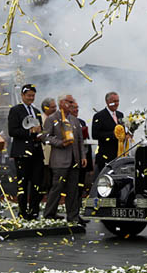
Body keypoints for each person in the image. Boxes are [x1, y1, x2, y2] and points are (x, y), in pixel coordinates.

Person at [43, 94, 86, 225]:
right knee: (57, 188)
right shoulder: (52, 119)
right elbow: (45, 137)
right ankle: (49, 214)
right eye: (69, 102)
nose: (72, 104)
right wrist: (61, 143)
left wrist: (83, 156)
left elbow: (80, 140)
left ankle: (73, 216)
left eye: (73, 102)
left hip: (75, 160)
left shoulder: (74, 120)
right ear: (61, 103)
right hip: (60, 160)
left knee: (73, 189)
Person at [7, 84, 45, 220]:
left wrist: (41, 134)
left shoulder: (36, 110)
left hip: (36, 152)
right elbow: (12, 131)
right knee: (23, 183)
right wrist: (29, 131)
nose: (31, 98)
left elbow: (40, 129)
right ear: (22, 96)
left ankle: (34, 210)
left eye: (33, 96)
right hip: (22, 153)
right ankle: (23, 211)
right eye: (28, 95)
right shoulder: (15, 110)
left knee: (37, 183)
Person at [92, 91, 126, 177]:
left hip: (119, 155)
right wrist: (113, 135)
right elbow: (95, 135)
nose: (116, 104)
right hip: (105, 156)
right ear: (107, 102)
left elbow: (122, 131)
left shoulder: (120, 115)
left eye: (118, 101)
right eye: (114, 101)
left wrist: (127, 134)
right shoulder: (99, 116)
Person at [40, 97, 57, 197]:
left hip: (56, 156)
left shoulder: (57, 119)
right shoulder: (41, 120)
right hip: (46, 155)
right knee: (47, 180)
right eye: (53, 107)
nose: (55, 109)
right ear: (46, 108)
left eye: (56, 106)